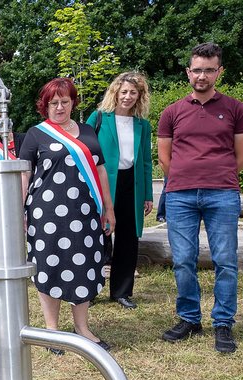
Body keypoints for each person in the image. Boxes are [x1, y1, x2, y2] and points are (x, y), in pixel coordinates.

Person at [157, 42, 243, 354]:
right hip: (180, 195)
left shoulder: (237, 110)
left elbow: (242, 157)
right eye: (197, 69)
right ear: (188, 72)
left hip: (222, 193)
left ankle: (223, 322)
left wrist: (215, 175)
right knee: (183, 260)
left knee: (225, 260)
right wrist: (188, 176)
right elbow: (164, 159)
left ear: (219, 72)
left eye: (209, 70)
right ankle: (189, 318)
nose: (202, 75)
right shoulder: (171, 112)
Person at [19, 77, 116, 354]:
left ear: (73, 102)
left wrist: (108, 209)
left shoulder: (87, 131)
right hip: (46, 214)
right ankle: (52, 329)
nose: (59, 107)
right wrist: (19, 211)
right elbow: (25, 175)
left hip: (85, 213)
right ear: (45, 106)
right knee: (50, 265)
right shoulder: (35, 134)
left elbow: (100, 171)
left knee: (83, 265)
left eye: (64, 101)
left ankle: (82, 328)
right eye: (53, 103)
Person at [86, 72, 153, 310]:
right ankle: (90, 289)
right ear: (115, 92)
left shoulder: (143, 125)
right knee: (98, 237)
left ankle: (122, 291)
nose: (127, 96)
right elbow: (85, 153)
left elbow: (146, 161)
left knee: (128, 239)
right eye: (123, 92)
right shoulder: (99, 118)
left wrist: (148, 195)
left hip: (131, 184)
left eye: (133, 93)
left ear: (139, 96)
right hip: (103, 183)